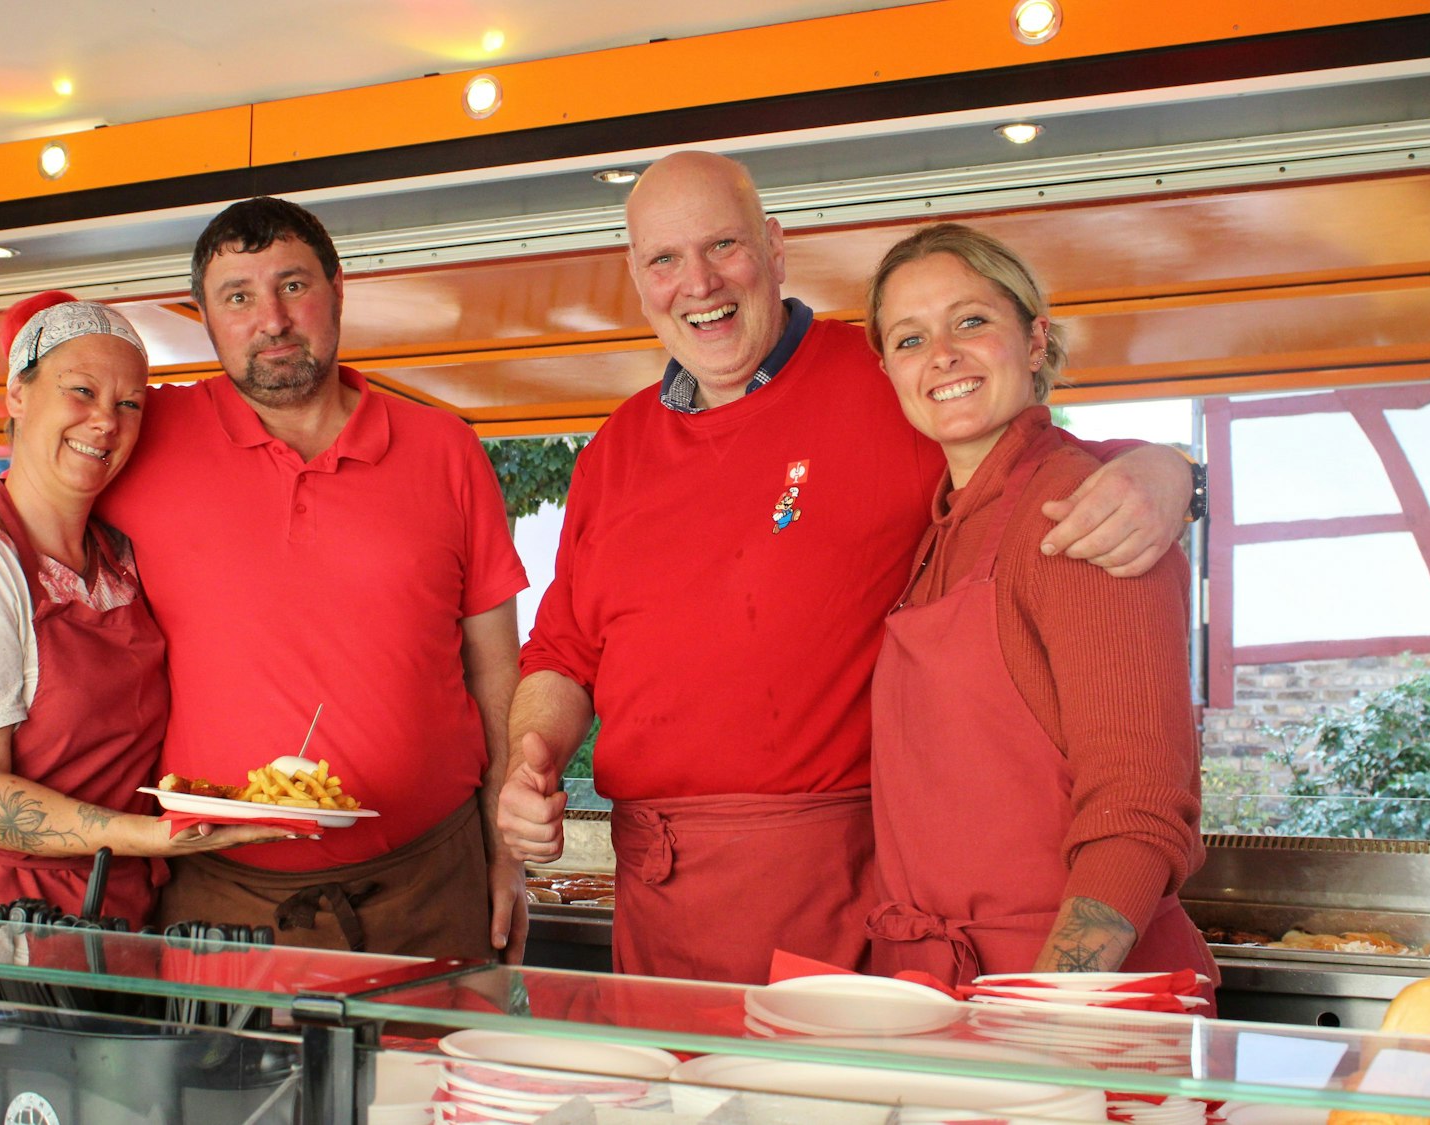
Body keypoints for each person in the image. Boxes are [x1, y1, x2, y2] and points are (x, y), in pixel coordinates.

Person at [499, 151, 1198, 985]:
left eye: (723, 245)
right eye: (664, 258)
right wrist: (528, 756)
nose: (698, 281)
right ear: (637, 276)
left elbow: (1026, 452)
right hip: (655, 892)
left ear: (775, 247)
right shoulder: (614, 449)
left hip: (841, 890)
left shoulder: (884, 378)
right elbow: (563, 651)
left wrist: (1169, 471)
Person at [0, 199, 530, 959]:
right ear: (207, 318)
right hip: (216, 892)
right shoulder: (148, 430)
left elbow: (496, 671)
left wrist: (505, 852)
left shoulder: (445, 449)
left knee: (430, 1079)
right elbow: (3, 504)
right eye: (237, 296)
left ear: (338, 290)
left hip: (430, 878)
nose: (270, 318)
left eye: (293, 286)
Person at [860, 223, 1216, 990]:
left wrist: (1043, 1010)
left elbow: (1138, 810)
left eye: (971, 321)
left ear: (1033, 341)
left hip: (1077, 1005)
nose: (943, 355)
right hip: (948, 998)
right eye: (910, 337)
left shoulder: (1087, 511)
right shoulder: (936, 533)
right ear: (888, 368)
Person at [0, 294, 286, 922]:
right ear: (16, 394)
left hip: (103, 903)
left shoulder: (115, 554)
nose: (104, 422)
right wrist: (156, 835)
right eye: (81, 392)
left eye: (128, 405)